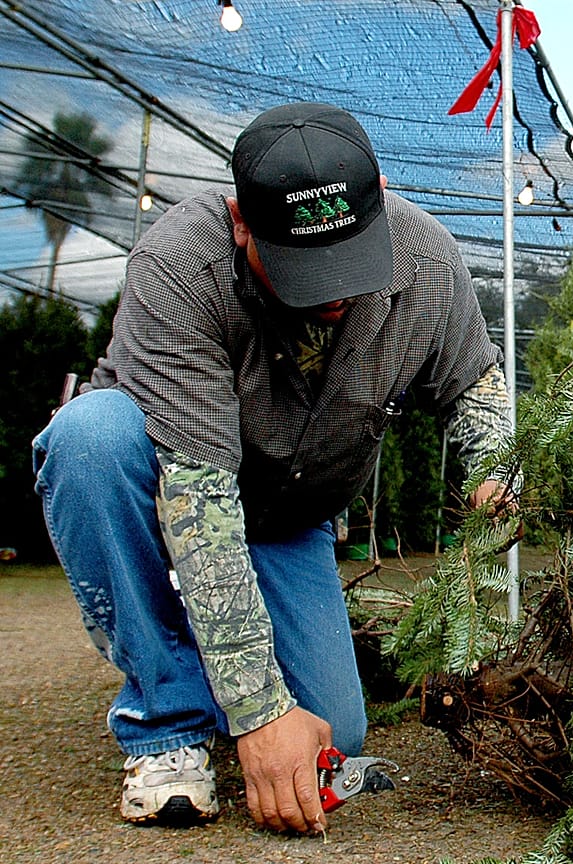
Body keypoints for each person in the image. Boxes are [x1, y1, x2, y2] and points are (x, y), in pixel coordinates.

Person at [31, 101, 514, 834]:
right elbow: (199, 506)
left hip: (290, 517)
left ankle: (204, 651)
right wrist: (258, 713)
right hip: (175, 486)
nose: (334, 292)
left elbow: (476, 382)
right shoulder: (179, 268)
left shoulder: (428, 261)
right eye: (303, 268)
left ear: (379, 196)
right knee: (89, 437)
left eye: (349, 260)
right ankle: (166, 722)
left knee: (335, 732)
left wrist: (495, 472)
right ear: (239, 222)